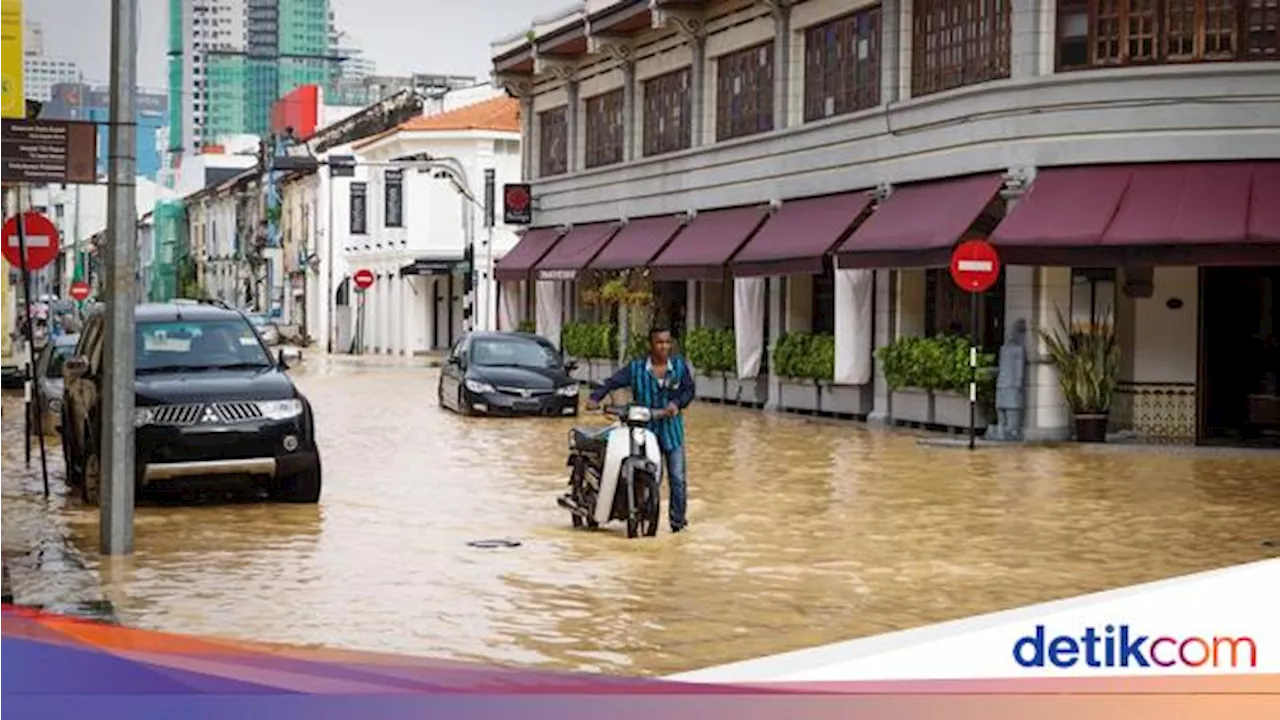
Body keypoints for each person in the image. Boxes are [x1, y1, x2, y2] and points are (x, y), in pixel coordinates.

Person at [586, 325, 697, 533]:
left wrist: (677, 404)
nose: (664, 346)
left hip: (672, 431)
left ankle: (678, 524)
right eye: (659, 342)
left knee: (678, 479)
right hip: (644, 433)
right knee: (647, 475)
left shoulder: (680, 368)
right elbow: (612, 382)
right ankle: (641, 513)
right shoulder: (636, 369)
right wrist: (595, 397)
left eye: (667, 342)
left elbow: (689, 391)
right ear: (651, 345)